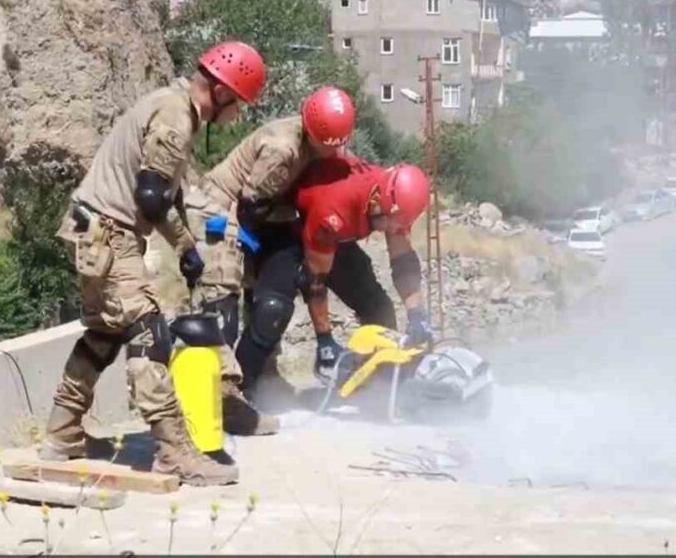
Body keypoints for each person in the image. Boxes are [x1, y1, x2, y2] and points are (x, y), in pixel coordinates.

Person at [39, 41, 266, 487]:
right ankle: (173, 452)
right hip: (109, 233)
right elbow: (150, 195)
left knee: (104, 335)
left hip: (94, 230)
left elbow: (162, 195)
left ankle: (62, 433)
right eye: (238, 104)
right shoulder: (176, 117)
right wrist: (184, 245)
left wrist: (185, 250)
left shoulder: (170, 106)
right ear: (220, 92)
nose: (238, 116)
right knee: (148, 334)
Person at [183, 86, 356, 429]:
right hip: (219, 210)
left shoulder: (319, 139)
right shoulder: (283, 149)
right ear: (314, 132)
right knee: (222, 299)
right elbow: (252, 205)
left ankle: (263, 376)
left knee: (271, 302)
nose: (335, 151)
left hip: (263, 216)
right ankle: (222, 400)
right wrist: (251, 257)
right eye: (330, 145)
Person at [233, 154, 434, 391]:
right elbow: (315, 282)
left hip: (335, 233)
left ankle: (379, 388)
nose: (395, 230)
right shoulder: (335, 208)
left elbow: (402, 262)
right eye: (393, 224)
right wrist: (325, 341)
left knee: (379, 309)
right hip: (287, 225)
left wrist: (417, 314)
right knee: (273, 310)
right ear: (376, 201)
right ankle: (239, 390)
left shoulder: (392, 200)